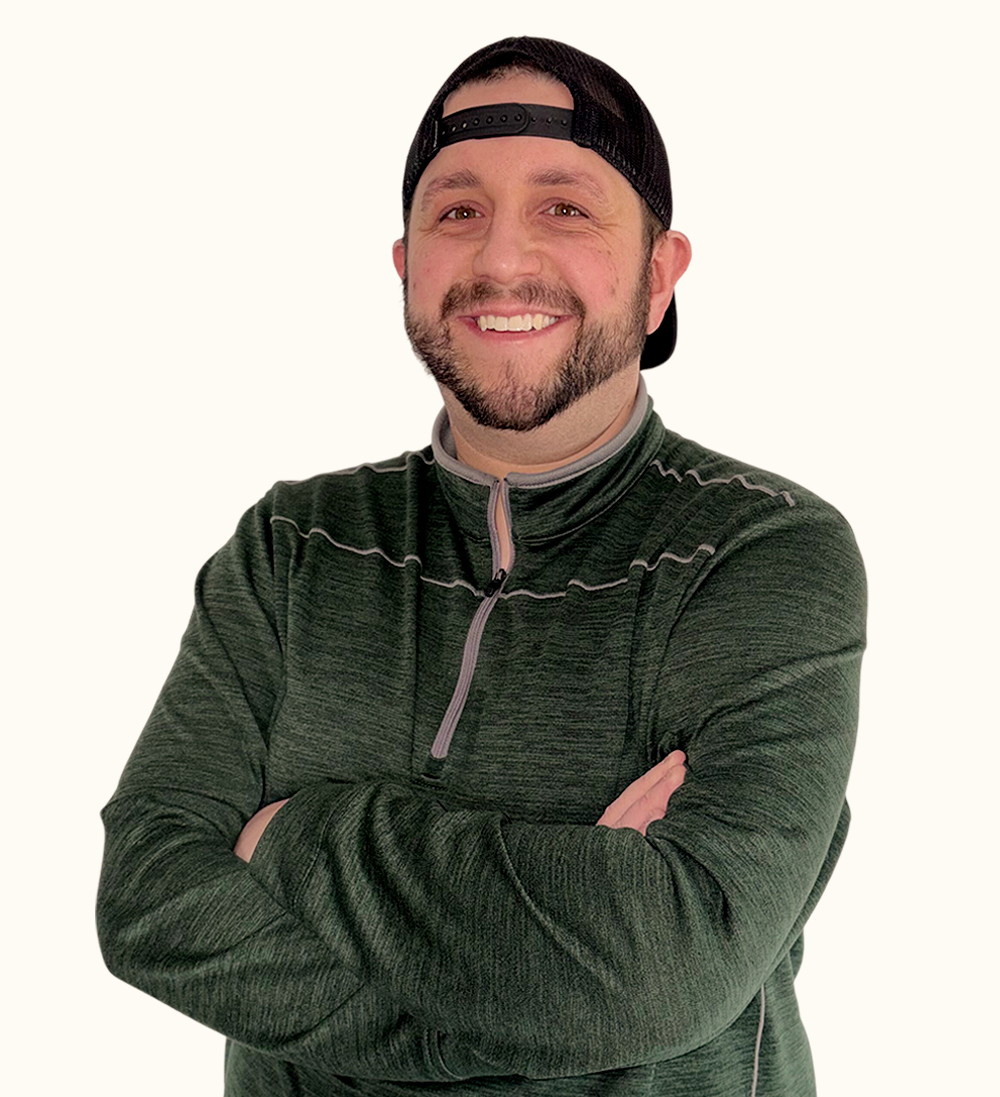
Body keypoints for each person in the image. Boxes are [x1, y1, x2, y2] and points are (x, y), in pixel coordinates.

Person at [97, 36, 866, 1097]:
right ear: (407, 265)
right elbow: (148, 900)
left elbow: (662, 976)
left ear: (658, 274)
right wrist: (555, 989)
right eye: (457, 211)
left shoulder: (761, 552)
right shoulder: (294, 547)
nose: (503, 260)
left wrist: (296, 832)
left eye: (565, 208)